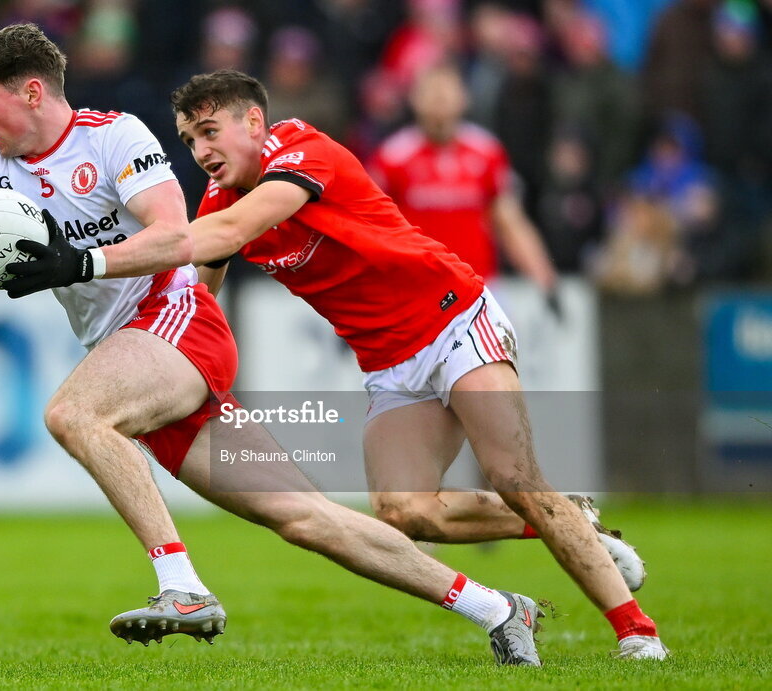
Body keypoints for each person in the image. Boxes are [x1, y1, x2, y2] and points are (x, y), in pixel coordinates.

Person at [0, 23, 548, 666]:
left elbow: (175, 238)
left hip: (172, 318)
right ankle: (499, 608)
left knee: (74, 413)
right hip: (128, 355)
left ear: (30, 92)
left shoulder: (112, 136)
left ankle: (183, 589)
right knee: (305, 518)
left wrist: (74, 263)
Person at [170, 69, 668, 660]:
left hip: (453, 319)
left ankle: (638, 635)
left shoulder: (300, 146)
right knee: (404, 511)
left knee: (516, 480)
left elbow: (228, 231)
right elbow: (198, 293)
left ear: (254, 122)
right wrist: (170, 352)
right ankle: (571, 520)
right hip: (389, 364)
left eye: (209, 131)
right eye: (189, 141)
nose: (201, 151)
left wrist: (98, 261)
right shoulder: (220, 202)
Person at [369, 62, 558, 302]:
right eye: (431, 91)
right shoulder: (392, 157)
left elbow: (511, 221)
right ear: (414, 99)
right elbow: (371, 227)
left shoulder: (486, 152)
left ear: (464, 98)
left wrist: (545, 277)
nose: (439, 99)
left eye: (447, 90)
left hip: (480, 290)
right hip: (417, 292)